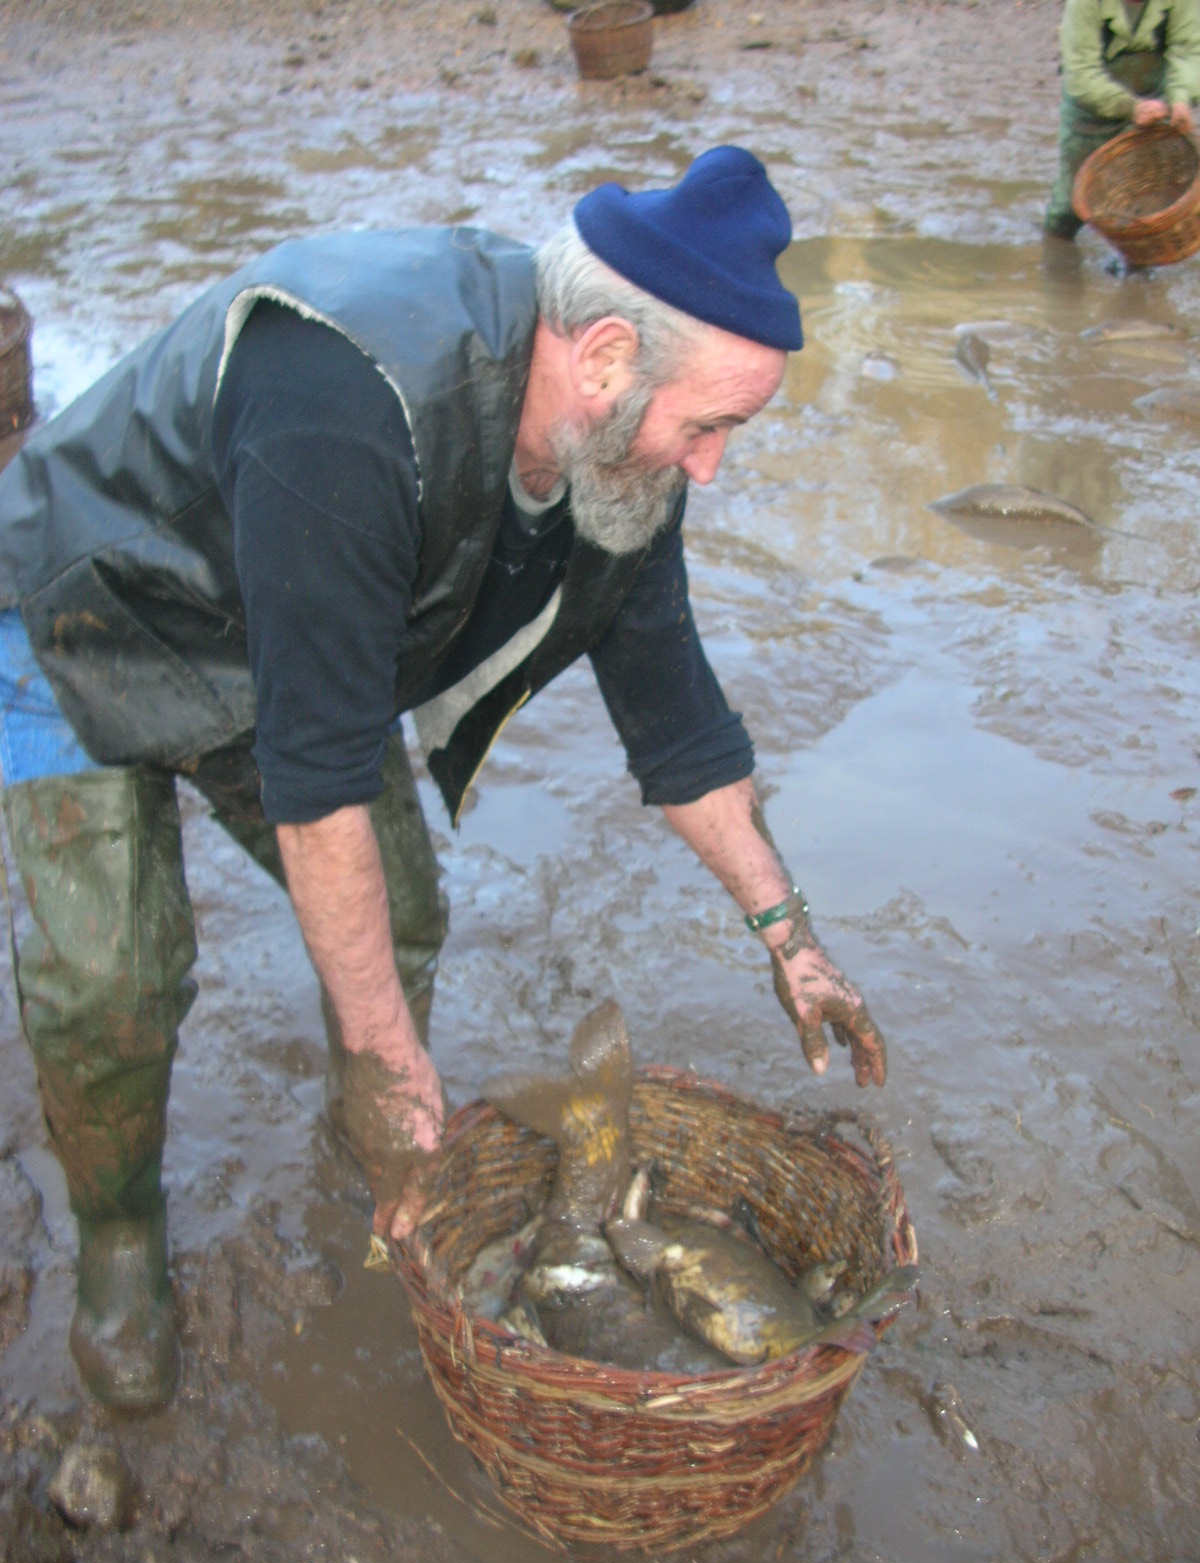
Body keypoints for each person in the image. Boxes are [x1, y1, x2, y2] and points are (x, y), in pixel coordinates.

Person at [0, 146, 887, 1416]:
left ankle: (350, 1136)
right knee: (116, 976)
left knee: (401, 913)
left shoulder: (619, 462)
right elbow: (317, 788)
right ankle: (121, 1243)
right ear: (603, 360)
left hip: (292, 632)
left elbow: (678, 723)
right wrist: (391, 1065)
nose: (710, 467)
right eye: (713, 426)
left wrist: (790, 937)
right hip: (90, 606)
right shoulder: (352, 398)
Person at [1045, 0, 1200, 239]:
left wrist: (1180, 98)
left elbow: (1189, 50)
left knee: (1146, 208)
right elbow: (1080, 74)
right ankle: (1057, 251)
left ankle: (1135, 265)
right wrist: (1131, 108)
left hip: (1156, 102)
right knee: (1068, 208)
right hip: (1090, 113)